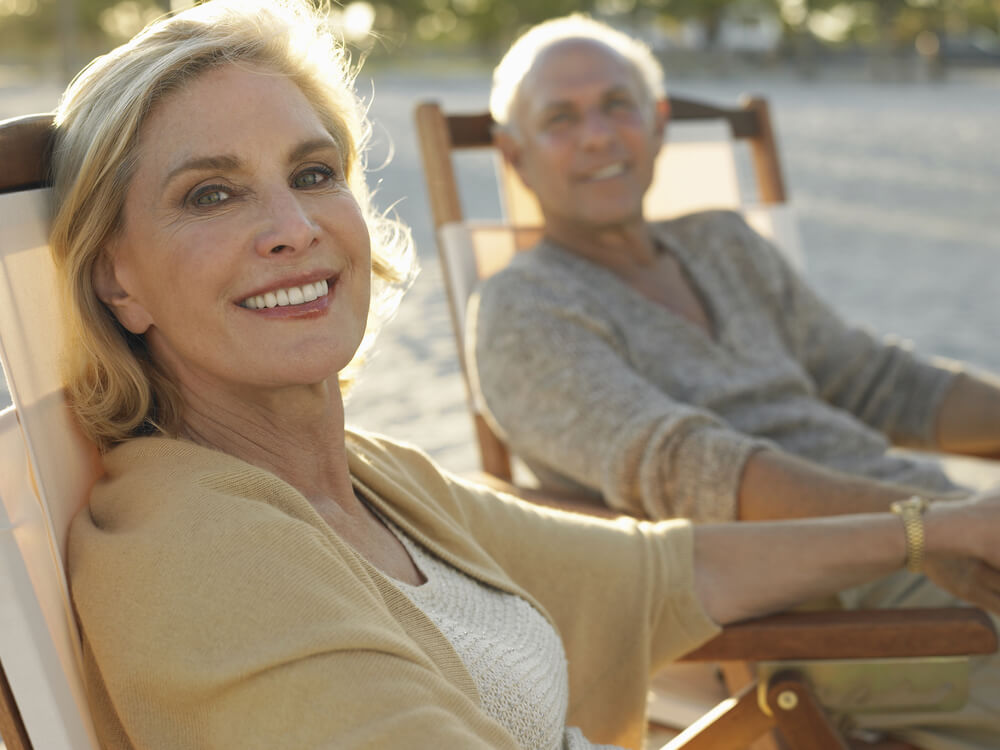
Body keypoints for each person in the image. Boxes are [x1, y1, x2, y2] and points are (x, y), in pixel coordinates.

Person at [52, 2, 1000, 749]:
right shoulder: (199, 557)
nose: (294, 228)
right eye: (209, 193)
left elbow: (659, 565)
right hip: (853, 637)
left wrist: (935, 528)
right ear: (116, 276)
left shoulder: (375, 480)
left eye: (312, 173)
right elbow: (696, 478)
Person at [467, 13, 1000, 749]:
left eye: (617, 105)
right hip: (802, 605)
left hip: (934, 539)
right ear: (513, 155)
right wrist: (929, 526)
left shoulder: (722, 242)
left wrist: (955, 519)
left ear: (656, 125)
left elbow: (880, 381)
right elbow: (700, 476)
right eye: (560, 118)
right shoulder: (524, 309)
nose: (597, 135)